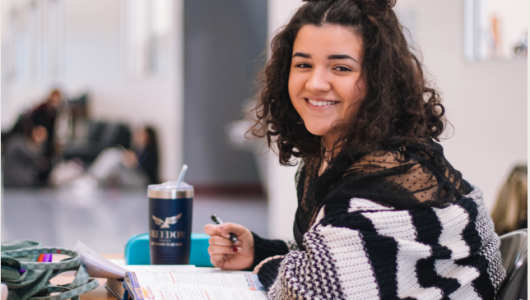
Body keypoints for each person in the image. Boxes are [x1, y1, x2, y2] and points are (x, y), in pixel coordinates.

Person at [204, 0, 505, 299]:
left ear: (379, 79)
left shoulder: (381, 185)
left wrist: (268, 264)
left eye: (341, 67)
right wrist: (259, 250)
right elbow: (340, 255)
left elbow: (300, 292)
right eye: (303, 64)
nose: (316, 82)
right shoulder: (329, 158)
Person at [3, 123, 48, 187]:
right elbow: (33, 154)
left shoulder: (14, 141)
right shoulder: (17, 142)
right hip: (18, 185)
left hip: (15, 185)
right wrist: (40, 142)